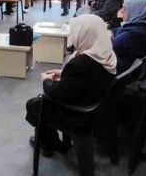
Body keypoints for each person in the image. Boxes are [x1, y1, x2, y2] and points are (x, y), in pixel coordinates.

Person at [25, 14, 117, 156]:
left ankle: (51, 145)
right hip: (96, 104)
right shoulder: (106, 52)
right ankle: (49, 142)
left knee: (34, 105)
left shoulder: (80, 64)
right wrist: (64, 73)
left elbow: (56, 93)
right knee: (38, 104)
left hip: (79, 114)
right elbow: (90, 74)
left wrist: (46, 80)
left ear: (84, 35)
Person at [110, 0, 146, 73]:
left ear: (137, 11)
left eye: (125, 8)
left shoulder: (135, 33)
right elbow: (114, 30)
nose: (121, 11)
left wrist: (109, 34)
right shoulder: (141, 25)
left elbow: (108, 47)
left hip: (114, 70)